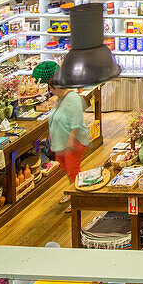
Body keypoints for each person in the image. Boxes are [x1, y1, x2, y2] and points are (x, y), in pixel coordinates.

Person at [47, 76, 90, 213]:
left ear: (57, 88)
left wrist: (71, 139)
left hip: (73, 141)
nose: (51, 91)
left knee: (73, 169)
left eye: (51, 89)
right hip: (61, 140)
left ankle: (78, 198)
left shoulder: (72, 99)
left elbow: (76, 120)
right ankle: (73, 193)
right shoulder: (59, 99)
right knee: (66, 167)